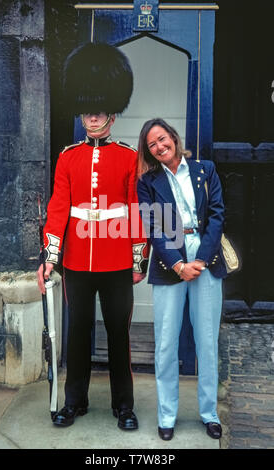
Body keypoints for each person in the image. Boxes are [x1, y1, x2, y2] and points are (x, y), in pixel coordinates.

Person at [37, 43, 148, 430]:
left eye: (98, 111)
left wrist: (138, 259)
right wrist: (50, 257)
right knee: (77, 335)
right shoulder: (68, 157)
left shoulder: (128, 157)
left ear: (112, 115)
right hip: (77, 263)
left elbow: (136, 210)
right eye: (87, 111)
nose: (92, 117)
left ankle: (124, 405)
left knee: (119, 336)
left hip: (117, 261)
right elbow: (58, 209)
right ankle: (74, 402)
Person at [137, 118, 227, 441]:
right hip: (168, 263)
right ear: (148, 152)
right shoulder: (148, 182)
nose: (160, 147)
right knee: (166, 344)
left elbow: (217, 215)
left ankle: (209, 413)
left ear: (173, 137)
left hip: (206, 255)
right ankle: (167, 416)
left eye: (162, 139)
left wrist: (199, 259)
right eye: (152, 145)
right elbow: (153, 227)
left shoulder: (206, 170)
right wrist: (178, 265)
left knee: (206, 341)